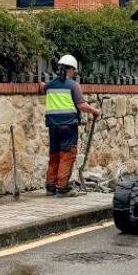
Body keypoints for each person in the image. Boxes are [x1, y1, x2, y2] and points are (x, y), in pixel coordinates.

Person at [44, 55, 100, 197]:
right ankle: (62, 188)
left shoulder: (50, 85)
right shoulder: (73, 85)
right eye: (74, 70)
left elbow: (42, 87)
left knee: (54, 155)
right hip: (68, 126)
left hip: (53, 127)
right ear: (70, 70)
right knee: (67, 155)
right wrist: (95, 110)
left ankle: (50, 186)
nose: (74, 73)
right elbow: (81, 105)